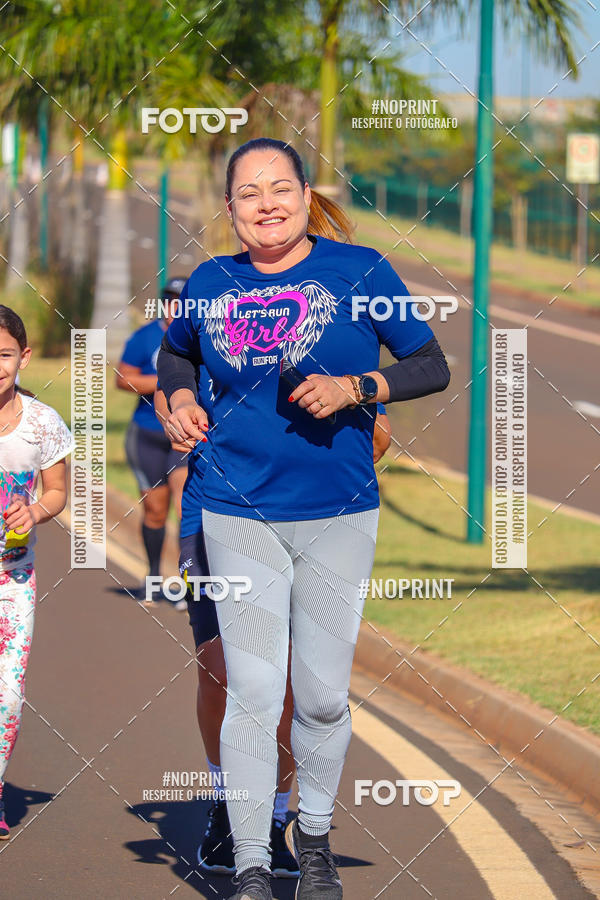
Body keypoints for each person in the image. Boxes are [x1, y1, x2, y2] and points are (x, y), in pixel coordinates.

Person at [157, 137, 450, 900]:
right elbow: (176, 356)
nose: (266, 205)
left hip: (338, 513)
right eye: (249, 194)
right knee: (255, 688)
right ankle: (253, 860)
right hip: (235, 509)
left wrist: (358, 386)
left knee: (319, 695)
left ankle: (312, 838)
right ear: (230, 210)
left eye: (279, 189)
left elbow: (430, 363)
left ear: (304, 193)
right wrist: (182, 399)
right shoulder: (212, 282)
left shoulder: (360, 272)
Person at [154, 373, 390, 879]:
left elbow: (376, 432)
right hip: (217, 511)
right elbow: (171, 382)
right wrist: (176, 412)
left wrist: (359, 422)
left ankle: (277, 817)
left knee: (284, 677)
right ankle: (228, 801)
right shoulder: (214, 308)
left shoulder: (318, 328)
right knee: (223, 668)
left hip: (302, 517)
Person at [0, 306, 73, 840]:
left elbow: (56, 492)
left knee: (6, 694)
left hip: (12, 579)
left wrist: (34, 511)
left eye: (3, 355)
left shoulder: (43, 421)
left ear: (23, 357)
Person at [116, 278, 189, 606]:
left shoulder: (199, 337)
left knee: (185, 508)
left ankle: (189, 584)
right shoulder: (144, 337)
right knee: (155, 511)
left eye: (182, 300)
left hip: (184, 439)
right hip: (146, 434)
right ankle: (153, 576)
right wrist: (167, 379)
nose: (176, 306)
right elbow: (122, 379)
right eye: (171, 300)